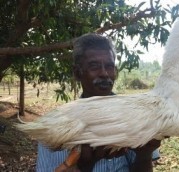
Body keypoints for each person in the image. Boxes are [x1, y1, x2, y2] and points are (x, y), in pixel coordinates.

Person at [36, 33, 161, 172]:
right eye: (94, 66)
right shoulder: (55, 127)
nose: (104, 73)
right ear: (77, 73)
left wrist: (144, 155)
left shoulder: (135, 116)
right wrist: (83, 168)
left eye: (109, 66)